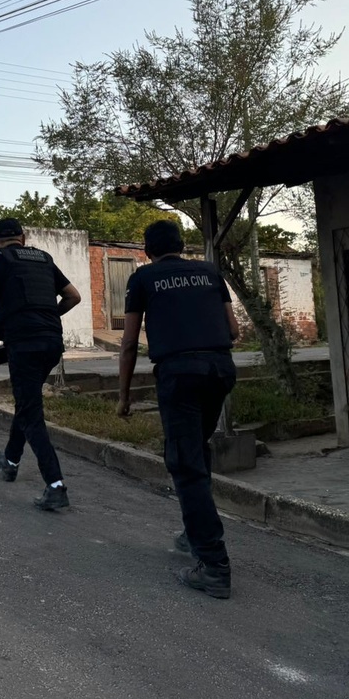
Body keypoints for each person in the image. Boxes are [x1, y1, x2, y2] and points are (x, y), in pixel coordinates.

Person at [117, 220, 240, 599]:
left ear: (147, 249)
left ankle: (214, 566)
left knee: (185, 464)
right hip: (219, 371)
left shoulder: (143, 279)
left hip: (179, 375)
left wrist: (124, 397)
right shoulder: (209, 271)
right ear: (182, 244)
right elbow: (234, 330)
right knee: (195, 451)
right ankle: (192, 532)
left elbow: (129, 343)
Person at [0, 218, 82, 510]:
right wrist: (49, 316)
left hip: (23, 344)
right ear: (24, 236)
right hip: (51, 343)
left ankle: (56, 485)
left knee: (32, 414)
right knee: (27, 402)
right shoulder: (44, 258)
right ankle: (10, 460)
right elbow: (74, 296)